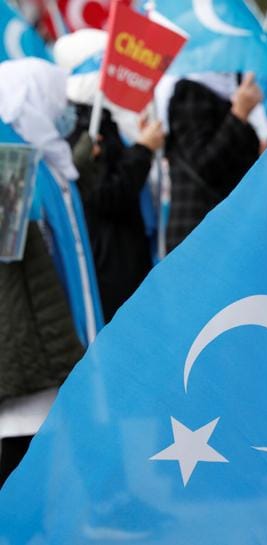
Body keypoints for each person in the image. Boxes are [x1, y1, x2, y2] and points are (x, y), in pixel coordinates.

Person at [0, 58, 87, 485]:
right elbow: (14, 256)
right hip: (23, 342)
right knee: (24, 450)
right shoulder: (10, 162)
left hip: (34, 337)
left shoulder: (35, 161)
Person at [54, 29, 165, 320]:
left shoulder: (97, 120)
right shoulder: (83, 128)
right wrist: (143, 149)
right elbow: (107, 194)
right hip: (110, 261)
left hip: (121, 253)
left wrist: (139, 144)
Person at [163, 72, 263, 251]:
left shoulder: (230, 100)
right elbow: (205, 165)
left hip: (230, 232)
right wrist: (239, 114)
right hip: (198, 234)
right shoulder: (191, 93)